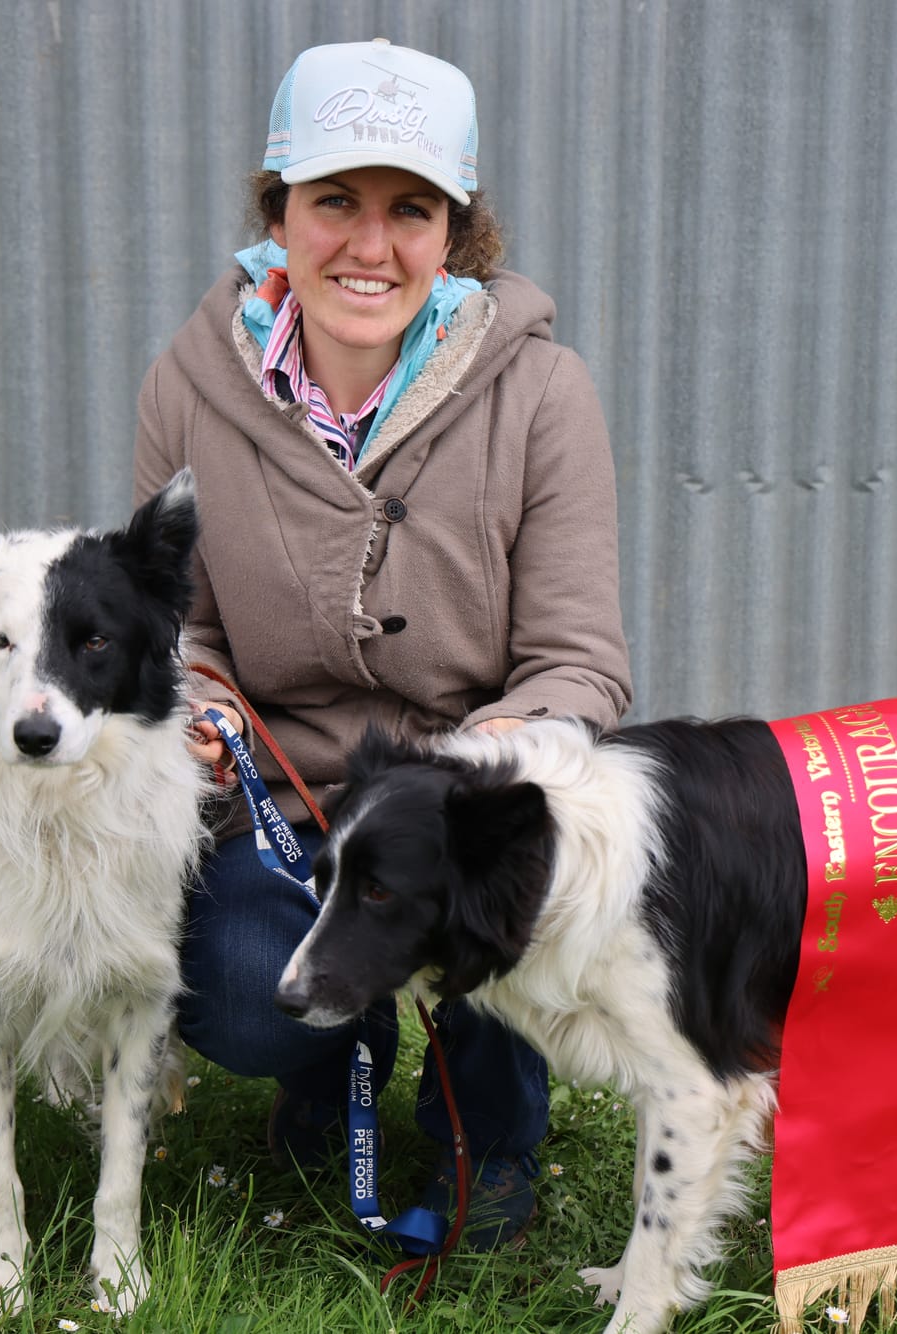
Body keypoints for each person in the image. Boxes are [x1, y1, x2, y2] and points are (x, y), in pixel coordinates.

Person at [131, 38, 631, 1251]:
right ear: (278, 216)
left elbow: (578, 658)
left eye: (410, 209)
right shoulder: (186, 389)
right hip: (287, 801)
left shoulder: (544, 393)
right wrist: (200, 708)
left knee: (503, 885)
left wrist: (495, 754)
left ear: (455, 232)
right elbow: (177, 628)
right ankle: (324, 1064)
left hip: (466, 795)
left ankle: (488, 1135)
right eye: (334, 202)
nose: (371, 244)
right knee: (240, 986)